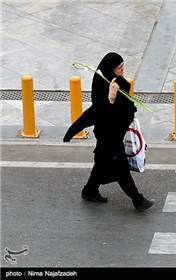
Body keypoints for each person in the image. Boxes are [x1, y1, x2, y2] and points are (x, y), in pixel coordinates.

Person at [64, 52, 154, 211]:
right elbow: (96, 110)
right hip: (107, 134)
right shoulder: (102, 84)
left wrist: (130, 114)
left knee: (101, 164)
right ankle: (137, 200)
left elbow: (125, 103)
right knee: (121, 169)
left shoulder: (120, 83)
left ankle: (89, 190)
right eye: (119, 67)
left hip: (117, 133)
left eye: (123, 65)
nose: (123, 69)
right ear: (110, 68)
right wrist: (111, 98)